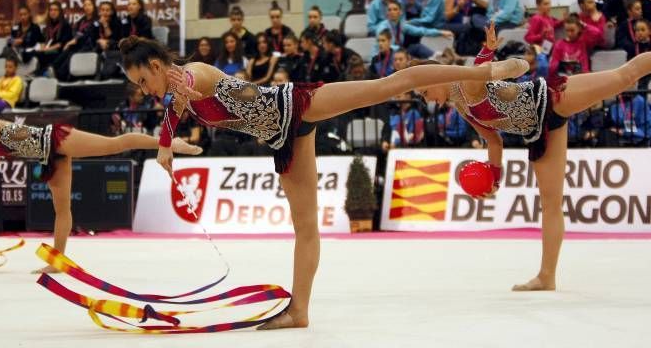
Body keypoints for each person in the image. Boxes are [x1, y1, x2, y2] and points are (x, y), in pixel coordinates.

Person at [117, 34, 530, 330]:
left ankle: (487, 69)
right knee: (305, 226)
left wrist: (175, 111)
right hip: (284, 137)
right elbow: (175, 107)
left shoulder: (194, 74)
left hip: (296, 103)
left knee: (388, 85)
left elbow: (192, 85)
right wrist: (167, 145)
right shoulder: (175, 94)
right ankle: (299, 311)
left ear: (156, 67)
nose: (143, 90)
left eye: (142, 81)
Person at [413, 23, 651, 292]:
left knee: (624, 78)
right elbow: (493, 139)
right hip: (539, 131)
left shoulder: (468, 85)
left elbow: (495, 69)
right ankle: (546, 276)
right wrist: (494, 177)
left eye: (425, 92)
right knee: (550, 204)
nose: (429, 100)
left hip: (554, 99)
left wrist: (488, 52)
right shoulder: (462, 107)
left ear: (432, 77)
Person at [0, 92, 202, 273]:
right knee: (61, 210)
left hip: (56, 140)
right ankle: (58, 260)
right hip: (50, 158)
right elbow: (4, 142)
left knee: (115, 144)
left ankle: (170, 142)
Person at [376, 1, 453, 59]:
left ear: (400, 12)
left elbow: (420, 31)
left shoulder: (402, 25)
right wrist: (402, 51)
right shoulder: (383, 27)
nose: (392, 12)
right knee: (411, 59)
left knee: (416, 47)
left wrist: (439, 32)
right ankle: (433, 61)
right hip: (385, 56)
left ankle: (437, 57)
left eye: (395, 9)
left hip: (399, 54)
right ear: (386, 13)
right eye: (389, 10)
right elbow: (385, 47)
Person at [549, 14, 601, 85]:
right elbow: (553, 65)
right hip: (565, 80)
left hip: (582, 78)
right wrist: (559, 66)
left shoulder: (583, 41)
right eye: (567, 30)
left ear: (579, 29)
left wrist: (583, 24)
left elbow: (597, 33)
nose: (569, 33)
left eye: (572, 30)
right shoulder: (559, 44)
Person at [35, 2, 73, 76]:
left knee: (42, 54)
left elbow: (60, 44)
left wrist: (46, 50)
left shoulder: (65, 25)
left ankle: (44, 72)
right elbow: (42, 41)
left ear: (60, 12)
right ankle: (41, 73)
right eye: (51, 10)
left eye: (55, 10)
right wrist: (43, 47)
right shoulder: (47, 26)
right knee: (36, 53)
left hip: (59, 51)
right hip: (48, 50)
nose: (53, 12)